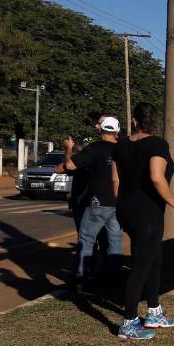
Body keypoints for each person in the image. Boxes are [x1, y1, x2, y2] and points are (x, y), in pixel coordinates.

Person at [111, 102, 174, 341]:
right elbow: (157, 177)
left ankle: (154, 311)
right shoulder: (157, 144)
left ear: (134, 120)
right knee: (141, 266)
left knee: (154, 259)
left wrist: (124, 204)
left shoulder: (121, 144)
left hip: (126, 208)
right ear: (154, 122)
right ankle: (128, 322)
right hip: (147, 213)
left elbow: (115, 181)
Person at [57, 116, 123, 292]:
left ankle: (81, 279)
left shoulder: (95, 148)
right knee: (114, 242)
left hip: (97, 202)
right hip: (118, 202)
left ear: (101, 129)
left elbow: (69, 166)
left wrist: (68, 149)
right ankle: (113, 280)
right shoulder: (123, 149)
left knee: (86, 240)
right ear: (117, 131)